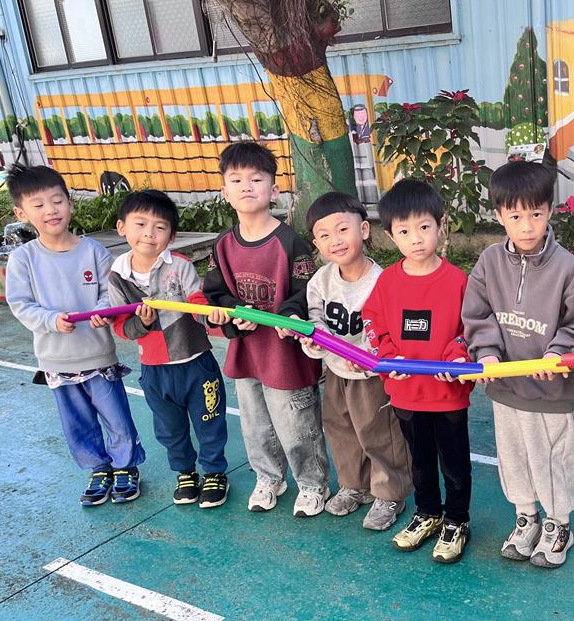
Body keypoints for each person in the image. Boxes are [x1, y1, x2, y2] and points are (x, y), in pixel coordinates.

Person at [462, 161, 574, 568]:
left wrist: (558, 352)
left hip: (550, 390)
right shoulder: (489, 261)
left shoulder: (567, 267)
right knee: (514, 456)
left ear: (549, 211)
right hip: (505, 387)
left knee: (552, 458)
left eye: (535, 214)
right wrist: (486, 352)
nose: (526, 226)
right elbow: (477, 313)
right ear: (499, 215)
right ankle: (526, 517)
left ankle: (558, 523)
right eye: (515, 216)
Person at [4, 164, 145, 505]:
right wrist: (51, 320)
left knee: (117, 417)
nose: (50, 210)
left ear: (70, 203)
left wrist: (101, 311)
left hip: (98, 355)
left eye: (57, 201)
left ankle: (126, 466)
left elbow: (110, 292)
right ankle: (98, 467)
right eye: (38, 205)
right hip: (56, 361)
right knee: (77, 423)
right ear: (22, 213)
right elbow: (20, 304)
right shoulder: (23, 259)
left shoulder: (93, 251)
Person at [203, 141, 329, 516]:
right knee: (255, 424)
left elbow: (306, 291)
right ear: (225, 192)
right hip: (247, 354)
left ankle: (312, 483)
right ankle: (269, 477)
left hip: (285, 356)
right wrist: (231, 312)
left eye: (256, 179)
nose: (246, 186)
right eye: (236, 179)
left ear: (273, 190)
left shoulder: (291, 243)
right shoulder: (223, 245)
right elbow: (214, 294)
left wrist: (288, 314)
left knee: (296, 423)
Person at [362, 179, 473, 564]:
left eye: (424, 227)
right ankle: (427, 512)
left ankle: (457, 519)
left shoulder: (458, 281)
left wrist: (456, 356)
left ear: (441, 226)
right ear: (390, 236)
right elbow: (374, 323)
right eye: (404, 231)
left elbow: (471, 329)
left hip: (447, 394)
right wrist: (389, 356)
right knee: (420, 461)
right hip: (406, 393)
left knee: (454, 463)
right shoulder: (387, 281)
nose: (416, 238)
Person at [107, 190, 229, 509]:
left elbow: (197, 301)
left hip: (196, 363)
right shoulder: (117, 276)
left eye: (160, 227)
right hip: (155, 370)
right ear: (122, 227)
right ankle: (185, 472)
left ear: (171, 236)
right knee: (169, 429)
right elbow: (121, 326)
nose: (149, 233)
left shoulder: (181, 266)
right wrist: (143, 323)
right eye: (140, 224)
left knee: (209, 421)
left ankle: (215, 472)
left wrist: (209, 314)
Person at [300, 191, 411, 531]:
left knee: (380, 432)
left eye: (342, 229)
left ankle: (390, 492)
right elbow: (315, 321)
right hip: (336, 370)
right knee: (340, 428)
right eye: (324, 235)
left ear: (363, 230)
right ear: (316, 244)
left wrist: (370, 356)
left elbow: (390, 329)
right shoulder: (320, 281)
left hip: (372, 375)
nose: (335, 240)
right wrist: (314, 341)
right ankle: (354, 485)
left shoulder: (384, 281)